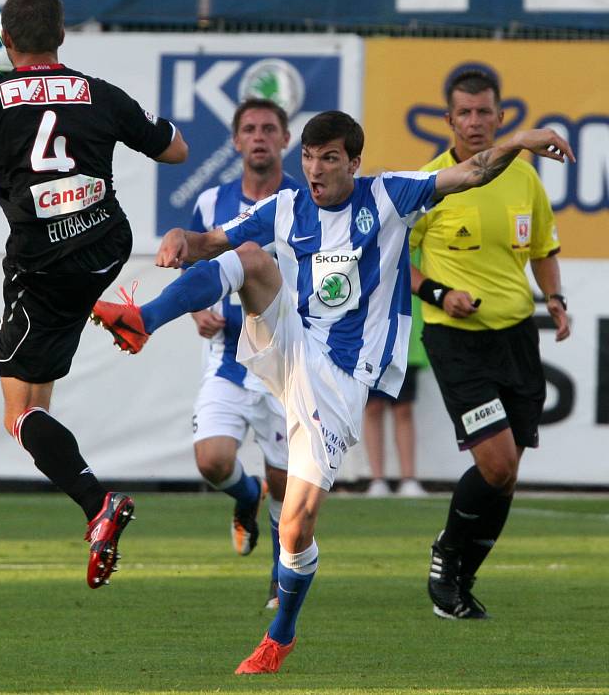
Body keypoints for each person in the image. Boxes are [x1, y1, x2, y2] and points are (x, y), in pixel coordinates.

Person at [91, 109, 573, 673]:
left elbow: (470, 174)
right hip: (292, 342)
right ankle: (142, 319)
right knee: (247, 259)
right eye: (309, 158)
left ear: (354, 163)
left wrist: (521, 140)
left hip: (342, 378)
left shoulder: (389, 196)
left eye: (329, 159)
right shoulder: (287, 206)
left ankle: (281, 635)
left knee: (296, 522)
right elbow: (210, 241)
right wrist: (182, 238)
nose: (315, 170)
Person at [0, 0, 188, 589]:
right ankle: (103, 309)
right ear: (62, 35)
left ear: (3, 42)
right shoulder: (98, 94)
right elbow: (176, 150)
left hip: (43, 269)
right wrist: (147, 125)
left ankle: (98, 506)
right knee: (42, 404)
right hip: (106, 249)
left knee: (17, 415)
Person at [409, 69, 571, 620]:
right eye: (465, 113)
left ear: (500, 117)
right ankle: (445, 558)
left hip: (517, 337)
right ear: (449, 120)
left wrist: (555, 300)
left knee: (507, 476)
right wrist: (438, 291)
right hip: (457, 341)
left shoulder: (524, 178)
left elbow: (544, 246)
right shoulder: (432, 182)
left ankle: (461, 580)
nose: (475, 123)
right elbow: (392, 260)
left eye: (485, 112)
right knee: (497, 465)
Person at [188, 98, 300, 608]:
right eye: (250, 129)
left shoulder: (303, 202)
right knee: (212, 461)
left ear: (285, 138)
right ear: (235, 141)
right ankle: (244, 496)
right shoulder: (211, 202)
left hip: (284, 364)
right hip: (228, 358)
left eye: (269, 129)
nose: (259, 136)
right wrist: (195, 312)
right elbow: (194, 267)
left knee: (286, 479)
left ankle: (280, 576)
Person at [363, 249, 428, 497]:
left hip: (406, 338)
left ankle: (408, 477)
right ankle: (377, 478)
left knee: (403, 408)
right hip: (372, 336)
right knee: (373, 408)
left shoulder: (414, 232)